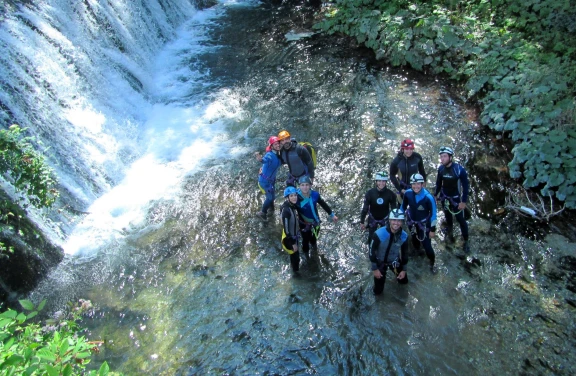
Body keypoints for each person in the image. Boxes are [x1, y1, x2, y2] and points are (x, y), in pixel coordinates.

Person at [434, 146, 470, 253]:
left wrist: (463, 202)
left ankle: (466, 240)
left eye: (444, 156)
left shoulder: (459, 170)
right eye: (441, 157)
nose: (442, 159)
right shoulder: (441, 169)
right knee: (447, 216)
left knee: (460, 220)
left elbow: (465, 187)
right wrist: (435, 195)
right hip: (445, 197)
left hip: (456, 199)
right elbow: (438, 183)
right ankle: (450, 231)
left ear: (450, 157)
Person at [401, 173, 438, 272]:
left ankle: (432, 263)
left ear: (422, 184)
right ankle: (417, 252)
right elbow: (403, 206)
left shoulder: (428, 197)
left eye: (418, 184)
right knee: (414, 238)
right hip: (412, 221)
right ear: (411, 184)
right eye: (414, 184)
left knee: (427, 245)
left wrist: (432, 230)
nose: (416, 186)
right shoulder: (408, 193)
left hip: (424, 224)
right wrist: (398, 217)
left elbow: (434, 214)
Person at [369, 209, 409, 295]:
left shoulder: (404, 236)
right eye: (394, 220)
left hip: (394, 261)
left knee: (404, 281)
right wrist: (375, 269)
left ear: (402, 222)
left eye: (399, 221)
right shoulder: (379, 233)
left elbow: (405, 253)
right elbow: (371, 251)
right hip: (380, 262)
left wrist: (404, 270)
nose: (396, 223)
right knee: (378, 292)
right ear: (389, 220)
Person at [296, 175, 338, 255]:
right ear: (299, 186)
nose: (305, 187)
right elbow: (288, 206)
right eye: (302, 185)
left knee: (314, 237)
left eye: (307, 185)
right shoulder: (296, 197)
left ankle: (314, 249)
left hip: (316, 221)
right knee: (305, 240)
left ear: (310, 186)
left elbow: (323, 204)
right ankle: (306, 256)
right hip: (304, 224)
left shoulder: (315, 195)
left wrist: (332, 215)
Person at [359, 171, 397, 243]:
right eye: (379, 181)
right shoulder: (370, 193)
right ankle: (371, 250)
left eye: (383, 181)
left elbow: (393, 209)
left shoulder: (390, 194)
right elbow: (365, 208)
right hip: (373, 218)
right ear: (376, 181)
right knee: (371, 236)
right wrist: (362, 221)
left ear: (386, 182)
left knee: (386, 236)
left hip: (385, 218)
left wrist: (394, 222)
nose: (381, 183)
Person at [254, 136, 282, 220]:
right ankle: (262, 212)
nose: (277, 145)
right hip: (265, 181)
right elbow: (264, 160)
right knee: (270, 197)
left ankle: (271, 208)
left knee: (272, 196)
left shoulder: (278, 154)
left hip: (270, 181)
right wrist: (259, 158)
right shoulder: (270, 155)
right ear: (271, 146)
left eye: (278, 144)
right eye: (275, 144)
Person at [281, 186, 302, 274]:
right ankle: (296, 274)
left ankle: (295, 269)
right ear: (288, 198)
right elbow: (286, 230)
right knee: (295, 256)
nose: (294, 197)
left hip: (294, 236)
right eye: (291, 196)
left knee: (295, 256)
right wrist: (293, 243)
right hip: (289, 238)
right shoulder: (286, 210)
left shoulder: (292, 205)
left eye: (295, 195)